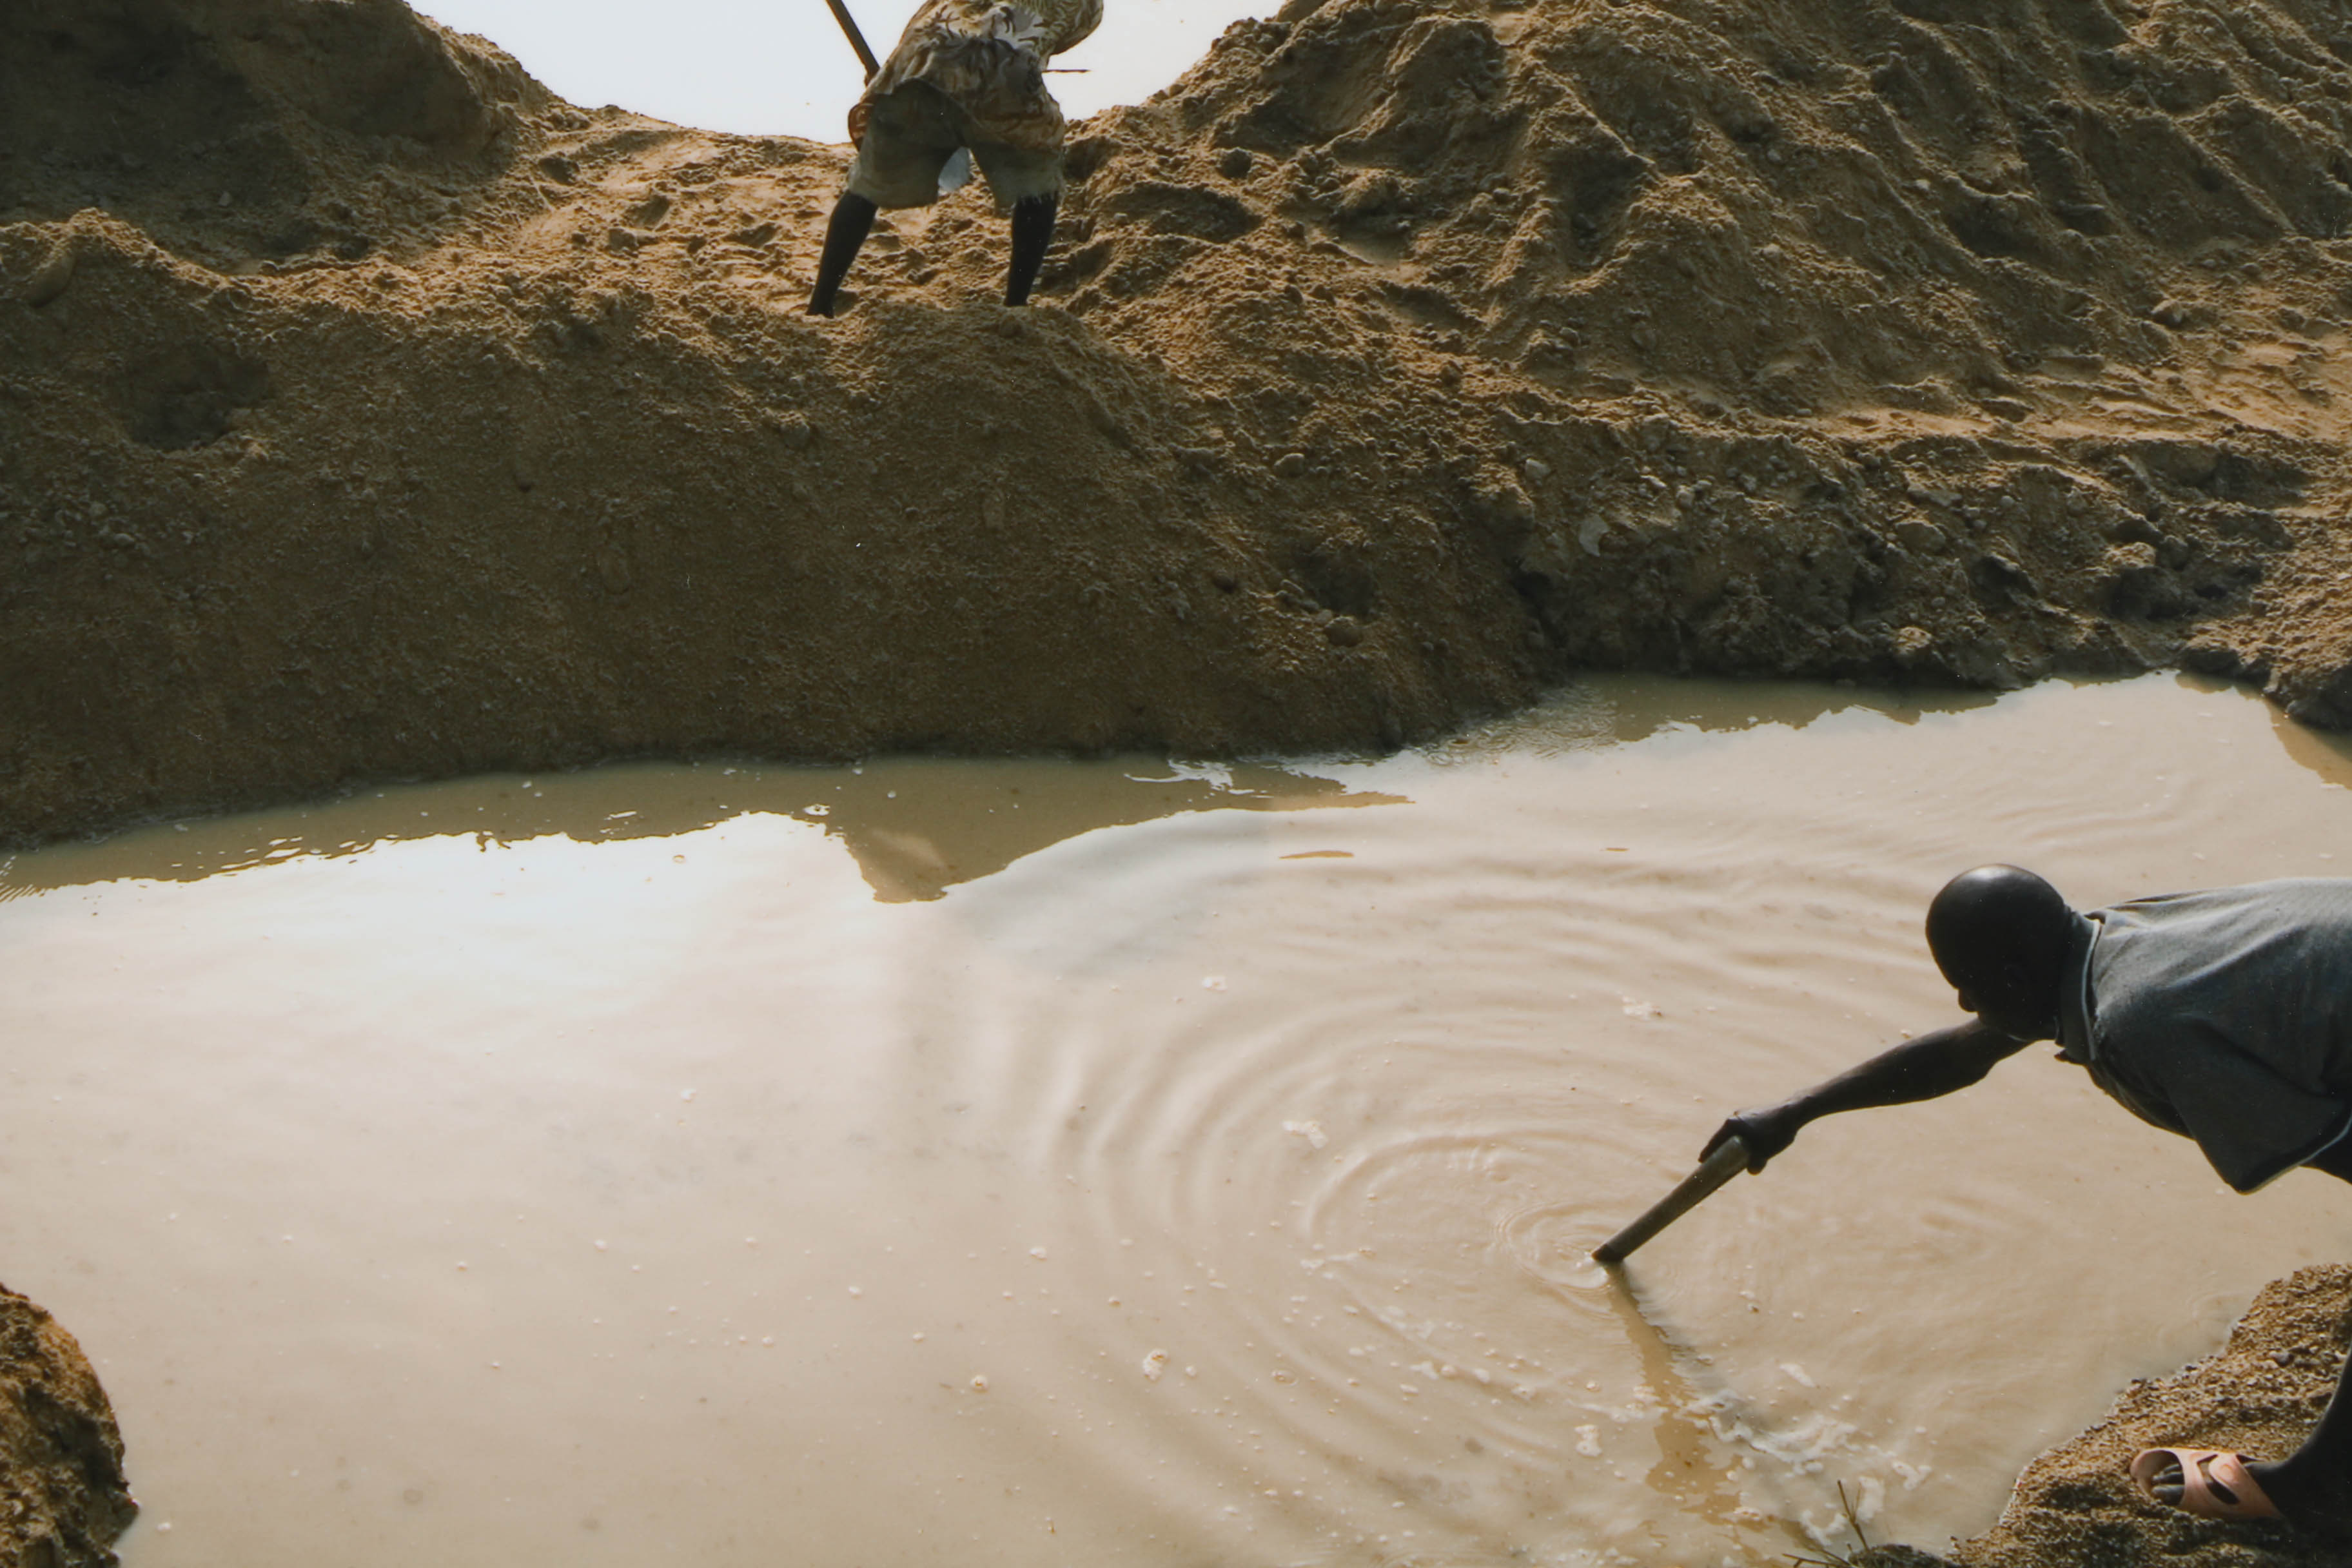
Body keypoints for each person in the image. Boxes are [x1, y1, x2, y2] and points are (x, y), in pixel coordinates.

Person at [1705, 865, 2352, 1534]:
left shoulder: (2139, 1021)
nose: (1963, 1007)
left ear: (2013, 981)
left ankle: (2317, 1491)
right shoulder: (2107, 941)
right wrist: (1796, 1110)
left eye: (1968, 988)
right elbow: (1964, 1052)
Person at [807, 0, 1101, 317]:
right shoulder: (1088, 7)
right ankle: (1016, 305)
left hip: (927, 49)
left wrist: (890, 82)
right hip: (1003, 61)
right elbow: (1034, 44)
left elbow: (925, 23)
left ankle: (820, 305)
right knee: (1038, 176)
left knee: (866, 186)